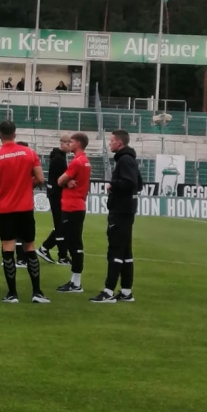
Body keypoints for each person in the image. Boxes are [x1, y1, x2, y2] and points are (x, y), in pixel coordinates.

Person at [0, 121, 49, 305]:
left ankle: (12, 294)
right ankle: (37, 292)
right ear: (15, 134)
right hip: (25, 208)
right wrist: (26, 187)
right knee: (29, 247)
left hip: (5, 210)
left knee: (8, 247)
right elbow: (40, 178)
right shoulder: (29, 153)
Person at [90, 129, 142, 304]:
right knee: (125, 251)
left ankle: (108, 291)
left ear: (119, 143)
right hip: (127, 210)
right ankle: (126, 291)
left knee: (115, 250)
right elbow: (139, 184)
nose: (110, 143)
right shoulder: (129, 159)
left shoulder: (125, 160)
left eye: (112, 140)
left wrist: (113, 185)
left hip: (120, 210)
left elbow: (130, 183)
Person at [55, 133, 91, 294]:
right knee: (73, 242)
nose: (69, 144)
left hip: (72, 206)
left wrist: (65, 181)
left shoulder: (77, 162)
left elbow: (59, 181)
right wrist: (67, 181)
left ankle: (76, 283)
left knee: (74, 244)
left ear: (78, 144)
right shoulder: (85, 161)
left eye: (71, 142)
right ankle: (75, 281)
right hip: (77, 205)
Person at [36, 134, 71, 266]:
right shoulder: (59, 159)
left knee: (61, 225)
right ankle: (60, 255)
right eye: (67, 143)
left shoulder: (59, 157)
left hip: (55, 193)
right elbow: (59, 179)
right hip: (56, 195)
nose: (69, 146)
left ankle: (47, 249)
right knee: (61, 225)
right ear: (62, 143)